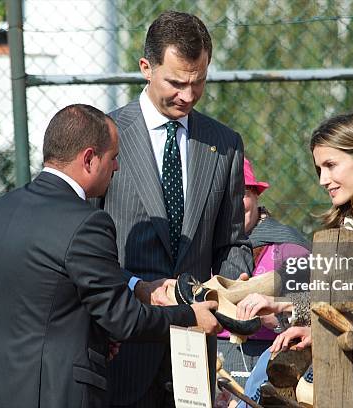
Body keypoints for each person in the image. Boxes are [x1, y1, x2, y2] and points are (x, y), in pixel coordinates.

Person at [0, 104, 220, 408]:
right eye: (113, 157)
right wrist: (190, 317)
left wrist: (93, 336)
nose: (117, 167)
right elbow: (123, 320)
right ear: (89, 159)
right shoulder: (87, 223)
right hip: (52, 394)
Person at [98, 11, 254, 408]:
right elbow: (84, 251)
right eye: (176, 82)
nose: (187, 94)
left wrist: (228, 292)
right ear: (146, 69)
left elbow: (232, 243)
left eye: (198, 82)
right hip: (122, 352)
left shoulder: (224, 144)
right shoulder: (104, 138)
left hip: (194, 354)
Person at [236, 112, 353, 397]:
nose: (323, 180)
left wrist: (284, 303)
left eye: (331, 165)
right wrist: (310, 328)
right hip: (351, 368)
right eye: (319, 169)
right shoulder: (344, 224)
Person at [216, 157, 310, 390]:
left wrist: (275, 320)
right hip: (214, 358)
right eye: (225, 196)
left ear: (257, 196)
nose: (234, 204)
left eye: (242, 193)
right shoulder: (203, 248)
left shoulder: (290, 249)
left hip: (272, 362)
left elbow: (314, 315)